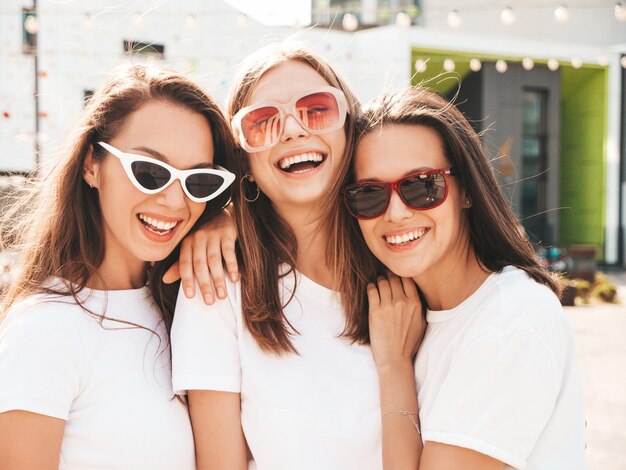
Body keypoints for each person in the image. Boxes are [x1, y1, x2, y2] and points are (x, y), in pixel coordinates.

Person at [170, 43, 424, 470]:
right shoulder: (216, 284)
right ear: (244, 160)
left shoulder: (407, 258)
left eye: (317, 109)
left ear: (349, 128)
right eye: (262, 122)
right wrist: (222, 217)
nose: (291, 131)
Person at [0, 64, 236, 469]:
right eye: (150, 172)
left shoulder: (195, 298)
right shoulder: (45, 329)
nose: (176, 202)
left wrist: (230, 220)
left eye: (199, 181)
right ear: (92, 164)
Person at [341, 86, 586, 469]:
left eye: (422, 185)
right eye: (369, 195)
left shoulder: (511, 320)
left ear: (467, 190)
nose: (396, 212)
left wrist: (394, 367)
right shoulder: (407, 314)